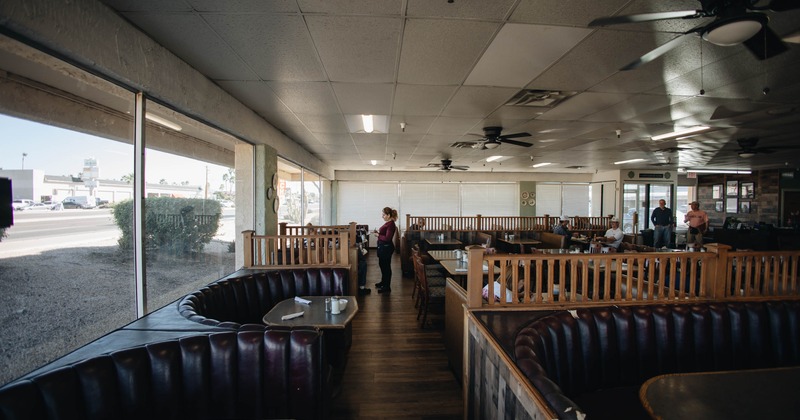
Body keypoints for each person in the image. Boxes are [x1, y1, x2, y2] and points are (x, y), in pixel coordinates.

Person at [374, 206, 398, 293]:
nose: (382, 216)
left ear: (388, 215)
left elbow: (388, 238)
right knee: (382, 265)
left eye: (384, 215)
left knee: (386, 267)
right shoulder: (388, 223)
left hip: (386, 248)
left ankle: (387, 287)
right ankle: (383, 282)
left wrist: (378, 235)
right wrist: (379, 233)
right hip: (383, 248)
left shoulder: (391, 224)